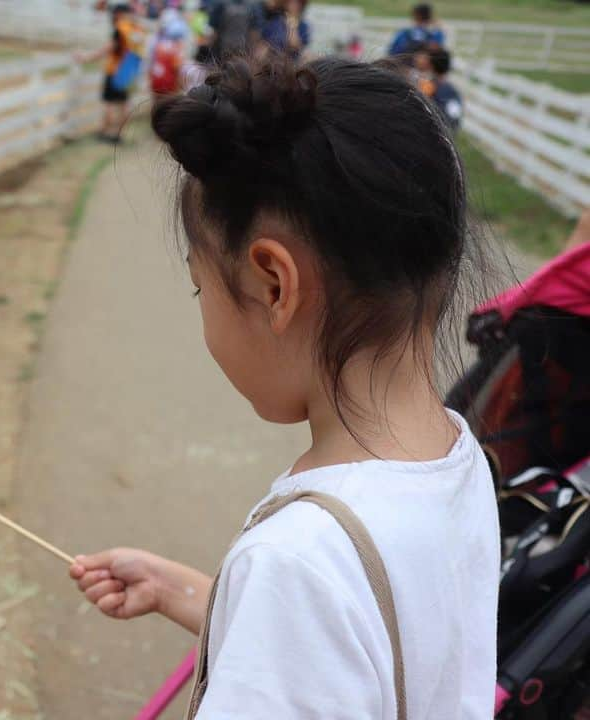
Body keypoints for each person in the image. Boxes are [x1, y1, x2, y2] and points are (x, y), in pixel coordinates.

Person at [70, 53, 499, 718]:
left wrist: (263, 584)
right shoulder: (457, 458)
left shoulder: (297, 560)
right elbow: (372, 645)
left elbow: (312, 603)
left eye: (199, 284)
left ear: (274, 284)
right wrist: (180, 590)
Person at [81, 3, 145, 142]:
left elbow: (110, 47)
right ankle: (118, 135)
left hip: (115, 70)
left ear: (119, 14)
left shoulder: (121, 28)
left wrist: (87, 57)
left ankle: (105, 132)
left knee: (109, 103)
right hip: (130, 73)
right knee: (123, 104)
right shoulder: (137, 29)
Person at [426, 47, 463, 132]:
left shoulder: (425, 87)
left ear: (431, 66)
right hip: (446, 137)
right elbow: (455, 121)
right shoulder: (454, 92)